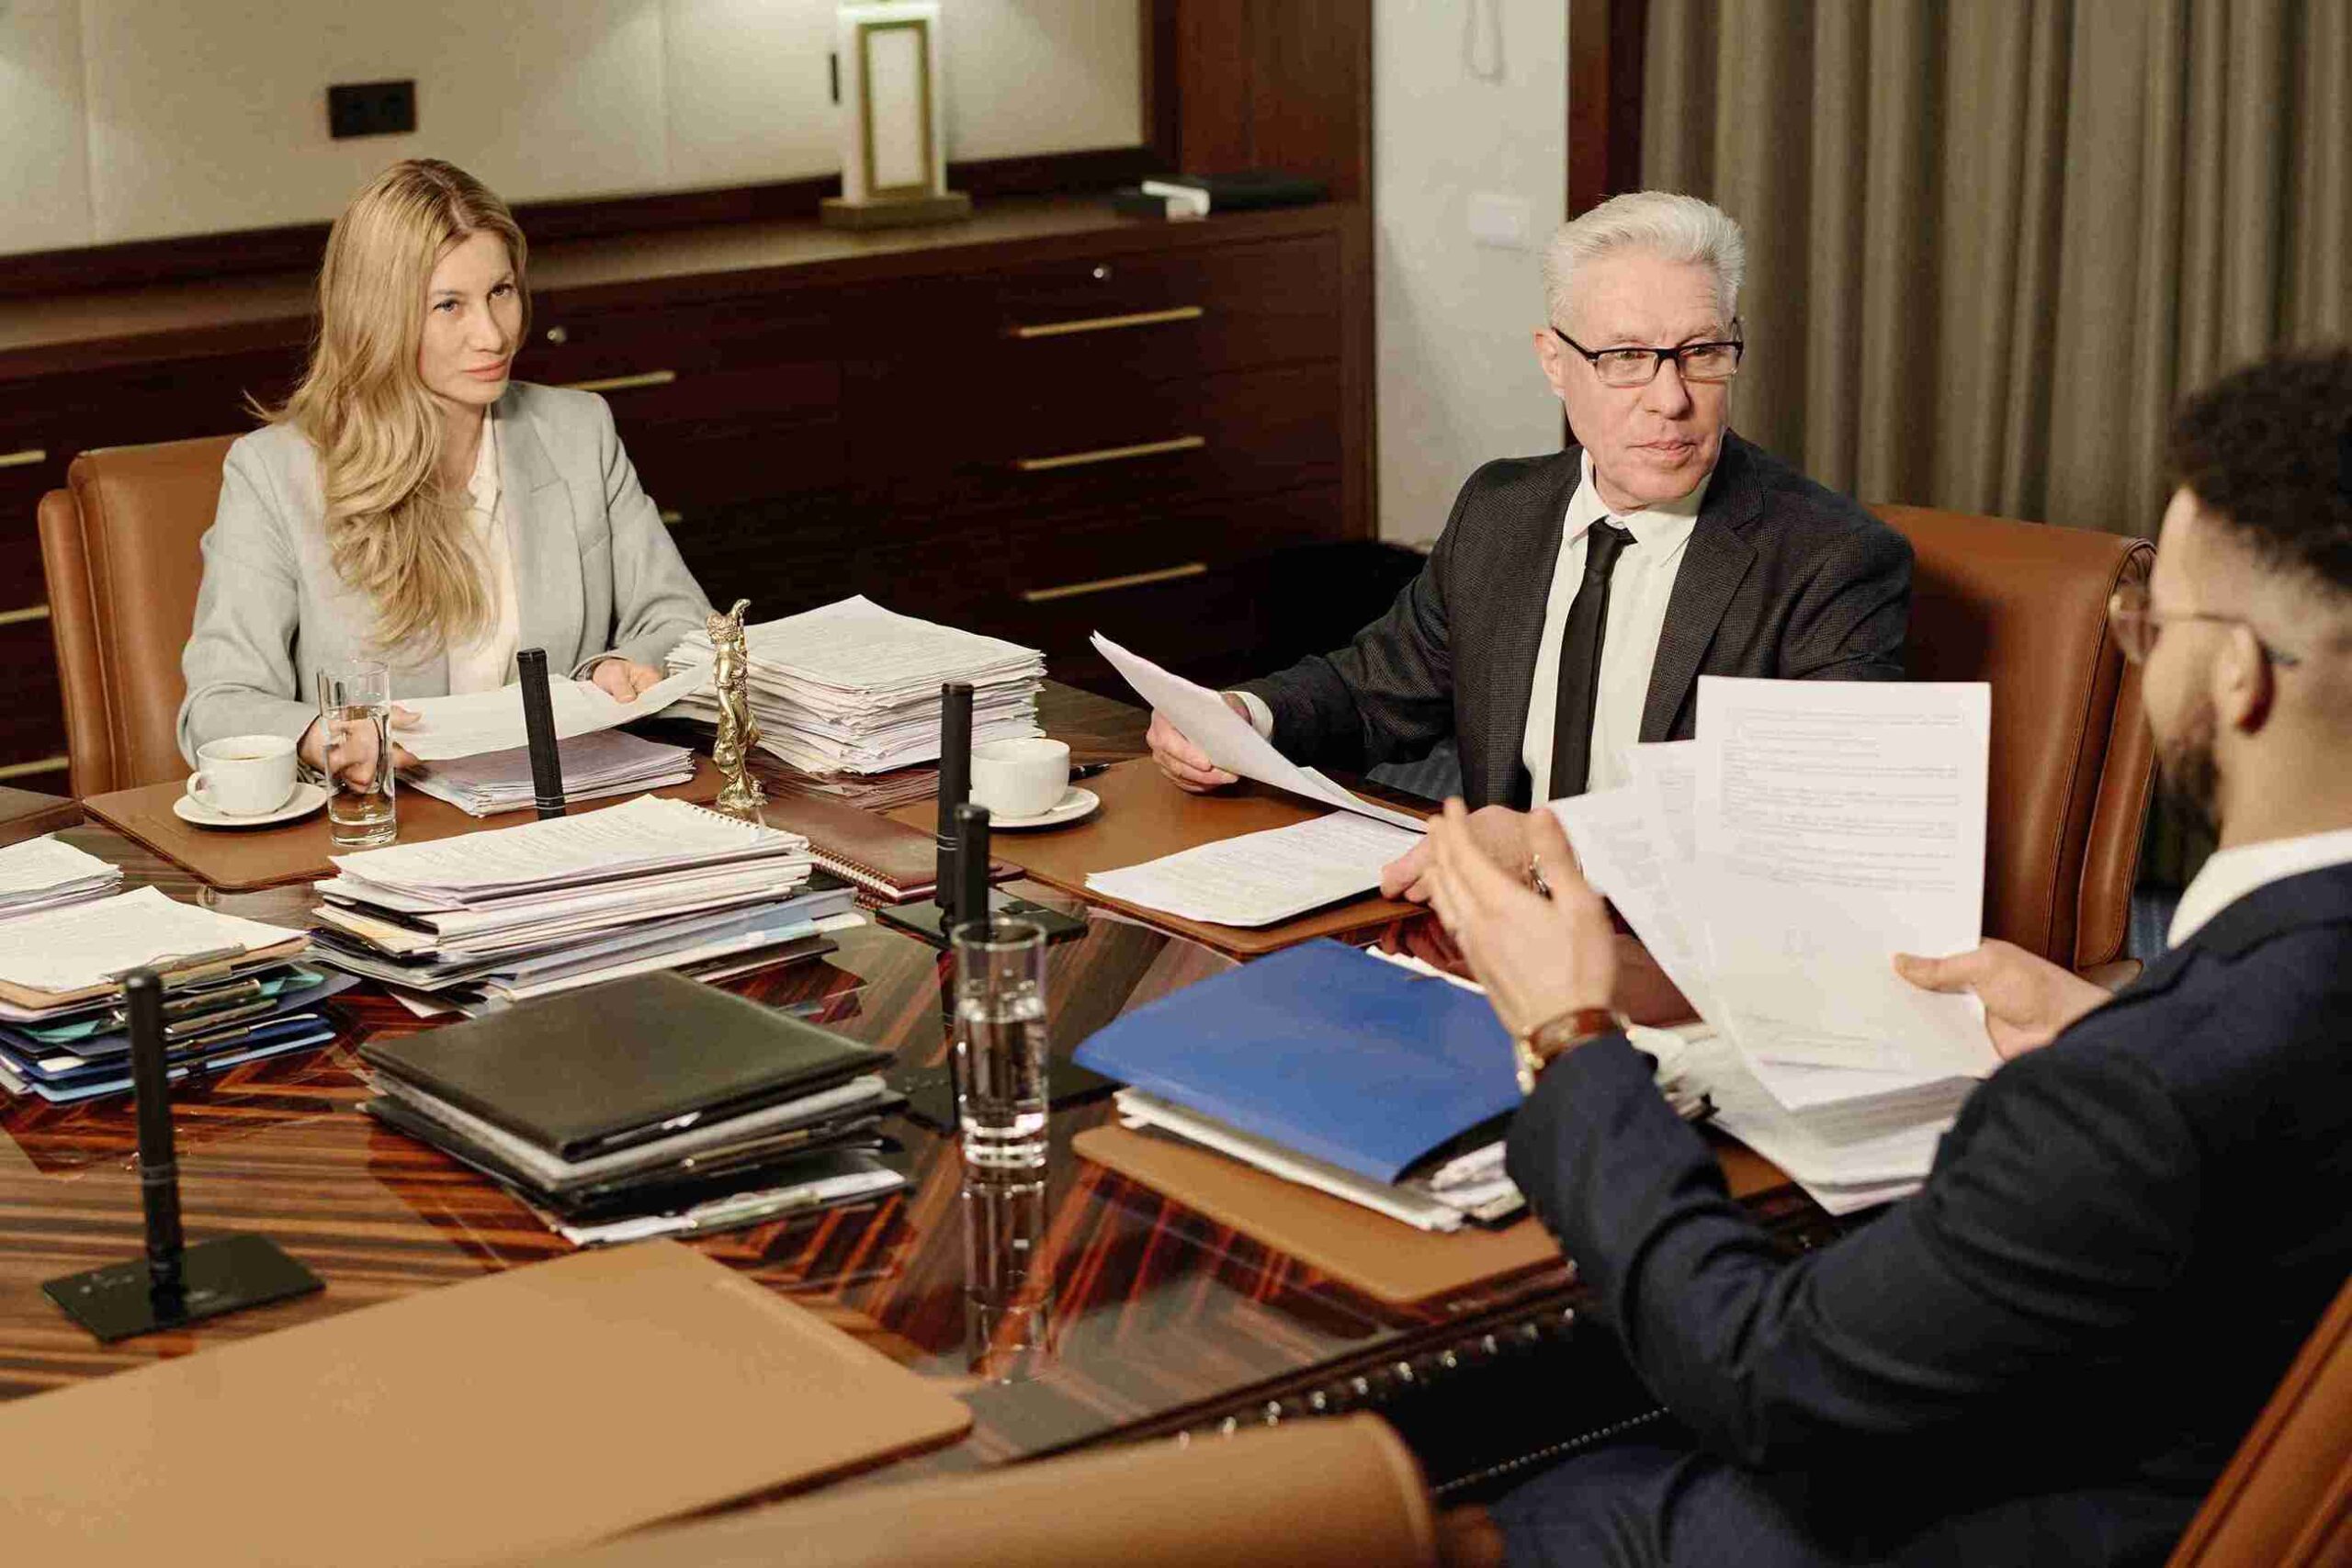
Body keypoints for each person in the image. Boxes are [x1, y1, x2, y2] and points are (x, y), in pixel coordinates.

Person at [1424, 348, 2352, 1566]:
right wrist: (2107, 1021)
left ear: (2236, 674)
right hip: (2197, 1452)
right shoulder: (2224, 1020)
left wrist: (1570, 1032)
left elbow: (1763, 1375)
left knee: (1515, 1498)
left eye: (2154, 622)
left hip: (1997, 1518)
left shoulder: (2141, 1094)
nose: (2142, 654)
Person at [1146, 191, 1911, 897]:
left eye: (1702, 352)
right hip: (1493, 929)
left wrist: (1552, 844)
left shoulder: (1831, 560)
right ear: (1555, 363)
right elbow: (1376, 688)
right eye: (1626, 357)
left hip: (1683, 943)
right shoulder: (1503, 511)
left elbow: (1811, 816)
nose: (1671, 399)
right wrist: (1242, 716)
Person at [177, 159, 712, 786]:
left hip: (565, 802)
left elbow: (682, 621)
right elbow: (218, 704)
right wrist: (320, 735)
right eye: (449, 305)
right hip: (391, 819)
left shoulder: (578, 431)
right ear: (377, 316)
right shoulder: (274, 472)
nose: (492, 335)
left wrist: (618, 667)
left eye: (500, 292)